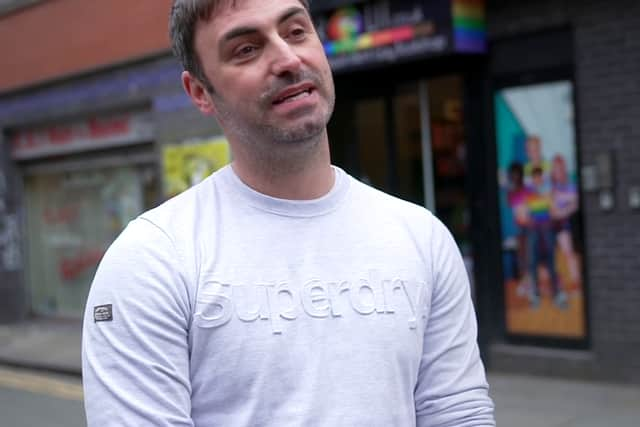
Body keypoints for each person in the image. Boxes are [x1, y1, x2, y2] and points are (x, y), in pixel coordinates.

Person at [82, 1, 495, 426]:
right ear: (200, 92)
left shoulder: (421, 237)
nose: (287, 58)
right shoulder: (152, 258)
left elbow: (457, 413)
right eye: (246, 49)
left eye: (296, 31)